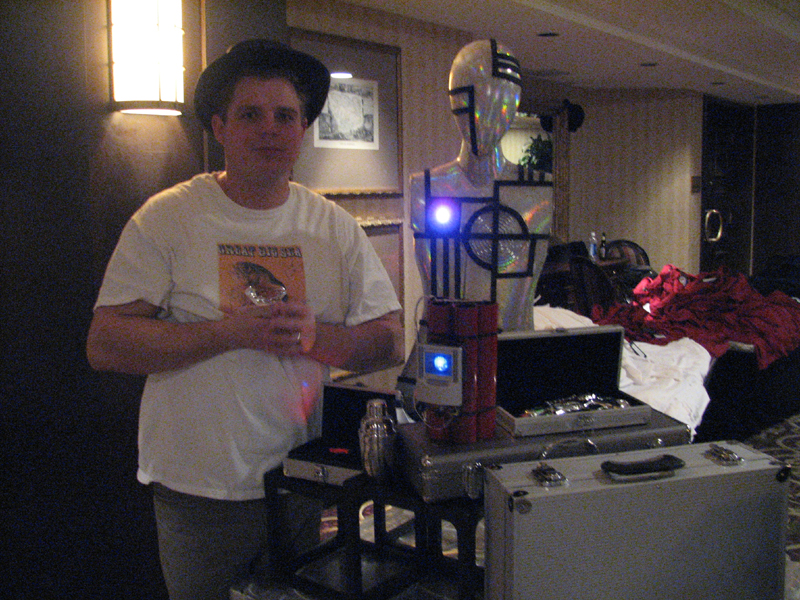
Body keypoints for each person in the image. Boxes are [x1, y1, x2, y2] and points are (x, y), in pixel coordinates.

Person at [86, 39, 403, 600]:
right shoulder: (168, 217)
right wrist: (228, 332)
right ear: (220, 127)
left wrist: (316, 337)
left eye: (285, 116)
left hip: (300, 480)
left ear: (302, 130)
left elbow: (388, 339)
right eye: (250, 115)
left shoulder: (333, 227)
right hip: (197, 489)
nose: (269, 130)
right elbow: (106, 344)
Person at [409, 39, 552, 331]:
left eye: (497, 104)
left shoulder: (539, 190)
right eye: (469, 103)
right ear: (455, 103)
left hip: (516, 348)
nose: (482, 118)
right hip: (446, 345)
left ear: (512, 106)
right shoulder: (427, 187)